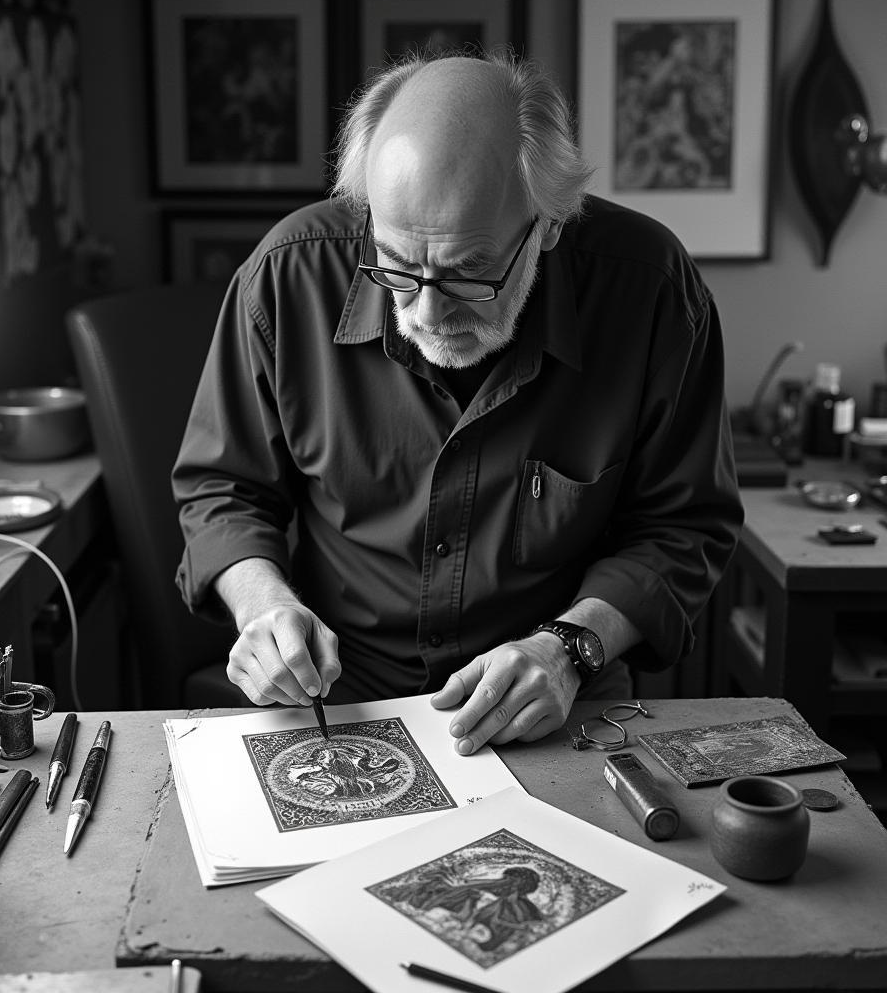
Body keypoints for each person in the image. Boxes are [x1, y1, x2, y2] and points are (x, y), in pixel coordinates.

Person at [172, 49, 743, 757]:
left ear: (549, 225)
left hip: (557, 698)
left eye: (470, 271)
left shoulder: (652, 293)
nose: (431, 313)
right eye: (398, 267)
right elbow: (222, 489)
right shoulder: (287, 277)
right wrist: (264, 605)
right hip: (343, 699)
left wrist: (569, 648)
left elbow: (683, 526)